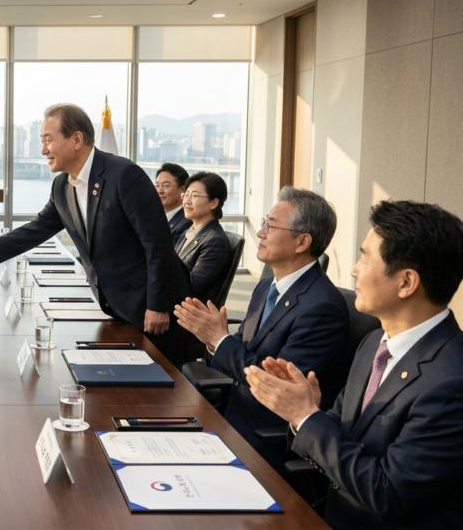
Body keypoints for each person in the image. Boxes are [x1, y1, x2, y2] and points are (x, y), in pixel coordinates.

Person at [246, 200, 463, 530]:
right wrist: (303, 413)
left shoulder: (451, 381)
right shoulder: (374, 343)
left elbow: (388, 494)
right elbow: (338, 430)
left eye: (365, 257)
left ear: (406, 282)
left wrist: (306, 416)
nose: (354, 270)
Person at [0, 103, 194, 367]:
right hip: (116, 306)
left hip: (155, 309)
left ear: (76, 139)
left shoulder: (124, 175)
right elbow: (36, 229)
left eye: (48, 140)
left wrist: (158, 306)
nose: (43, 150)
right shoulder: (62, 186)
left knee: (162, 396)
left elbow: (157, 245)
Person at [174, 187, 350, 471]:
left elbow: (274, 384)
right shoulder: (268, 286)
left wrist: (219, 340)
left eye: (271, 225)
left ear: (302, 241)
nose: (260, 232)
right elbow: (243, 350)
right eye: (263, 222)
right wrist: (214, 341)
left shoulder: (322, 308)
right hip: (232, 417)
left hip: (266, 438)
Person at [175, 171, 230, 305]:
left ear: (213, 203)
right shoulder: (189, 232)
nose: (187, 201)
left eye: (194, 196)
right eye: (186, 195)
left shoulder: (215, 240)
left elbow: (192, 287)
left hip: (186, 314)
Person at [156, 163, 191, 246]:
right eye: (157, 185)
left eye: (166, 185)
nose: (159, 191)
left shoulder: (186, 223)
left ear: (183, 189)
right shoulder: (154, 216)